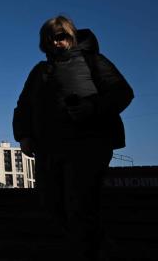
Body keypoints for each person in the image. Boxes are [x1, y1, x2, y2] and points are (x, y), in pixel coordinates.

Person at [12, 15, 133, 261]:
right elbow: (23, 106)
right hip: (49, 148)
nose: (56, 43)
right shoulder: (39, 71)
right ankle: (100, 246)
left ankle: (89, 252)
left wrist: (92, 107)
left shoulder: (93, 61)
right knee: (51, 203)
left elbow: (123, 92)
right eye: (50, 38)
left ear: (71, 36)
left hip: (88, 144)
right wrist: (24, 135)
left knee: (80, 204)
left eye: (60, 37)